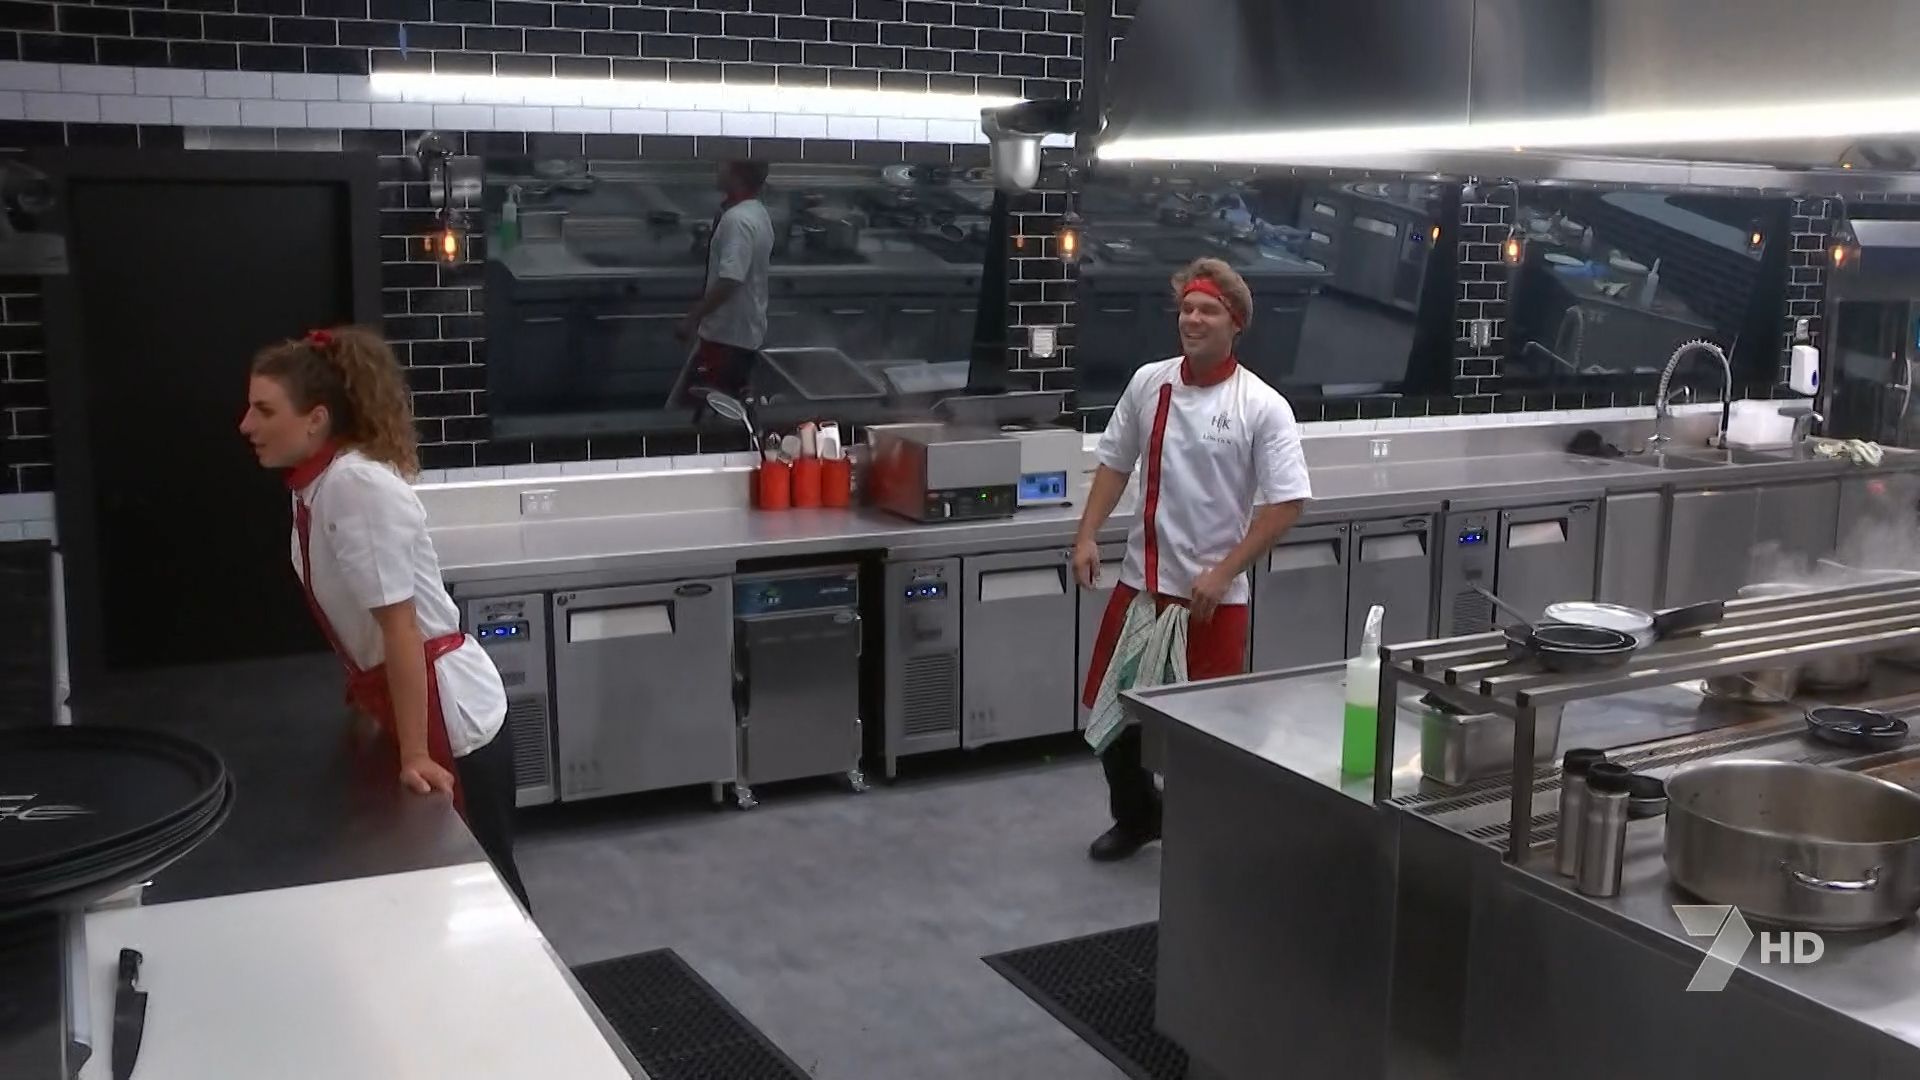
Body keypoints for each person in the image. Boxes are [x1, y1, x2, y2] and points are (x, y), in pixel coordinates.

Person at [239, 326, 530, 908]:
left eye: (264, 410)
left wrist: (416, 753)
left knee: (489, 894)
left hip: (450, 712)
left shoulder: (353, 487)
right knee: (447, 890)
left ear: (316, 420)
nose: (246, 425)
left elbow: (401, 628)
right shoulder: (314, 485)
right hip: (409, 695)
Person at [1073, 258, 1313, 862]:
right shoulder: (1149, 383)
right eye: (1186, 309)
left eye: (1208, 310)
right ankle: (1139, 817)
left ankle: (1206, 841)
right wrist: (1087, 535)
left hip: (1211, 600)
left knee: (1204, 733)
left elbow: (1287, 504)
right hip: (1141, 587)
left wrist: (1225, 572)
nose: (1193, 320)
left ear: (1236, 324)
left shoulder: (1261, 405)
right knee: (1112, 717)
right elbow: (1115, 463)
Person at [671, 159, 775, 406]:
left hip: (725, 340)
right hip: (741, 336)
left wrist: (692, 318)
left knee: (698, 411)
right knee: (722, 407)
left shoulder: (737, 221)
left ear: (737, 174)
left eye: (723, 165)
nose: (718, 169)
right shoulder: (757, 212)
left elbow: (730, 280)